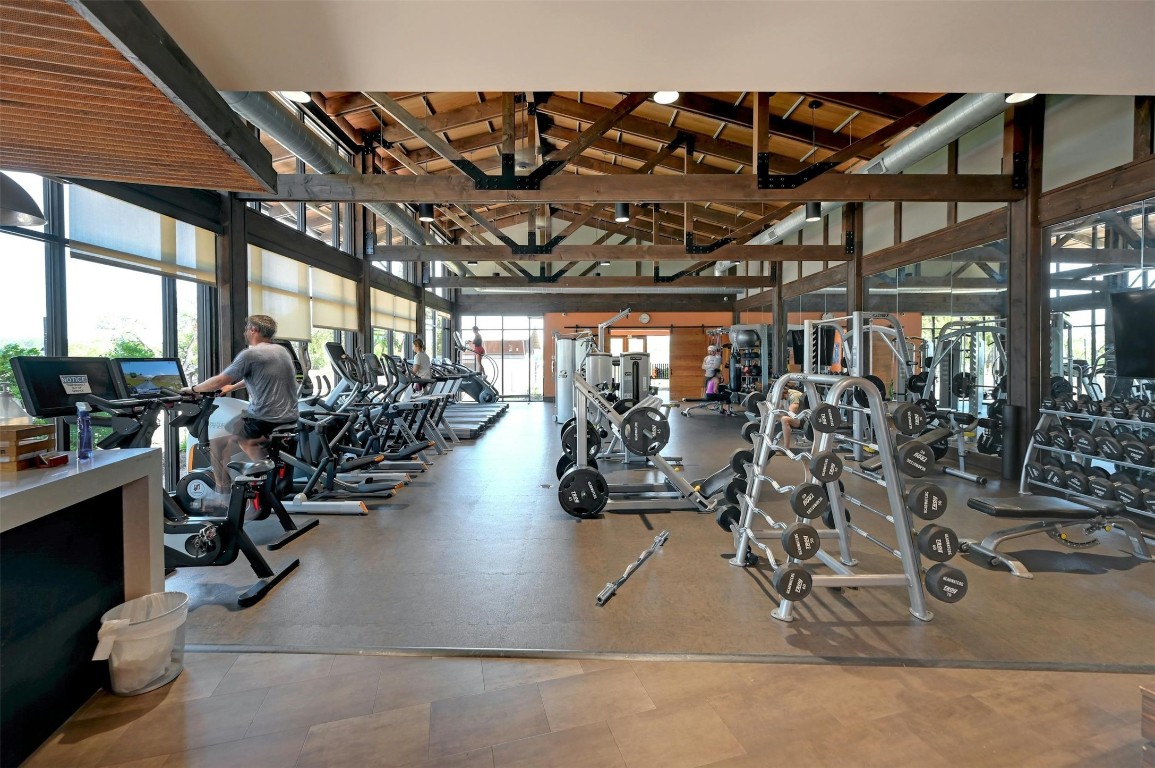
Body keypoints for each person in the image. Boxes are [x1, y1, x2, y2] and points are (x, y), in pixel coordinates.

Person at [184, 314, 298, 503]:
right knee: (230, 439)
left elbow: (220, 380)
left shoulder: (250, 354)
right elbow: (260, 376)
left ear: (254, 330)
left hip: (265, 419)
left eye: (247, 329)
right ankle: (252, 481)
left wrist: (193, 389)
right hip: (289, 417)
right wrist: (232, 387)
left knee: (220, 443)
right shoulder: (280, 351)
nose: (245, 332)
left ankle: (225, 494)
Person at [779, 385, 807, 450]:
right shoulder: (784, 397)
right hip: (797, 418)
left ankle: (786, 448)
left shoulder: (794, 396)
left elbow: (790, 413)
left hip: (804, 420)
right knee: (773, 416)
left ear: (782, 392)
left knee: (784, 419)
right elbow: (779, 409)